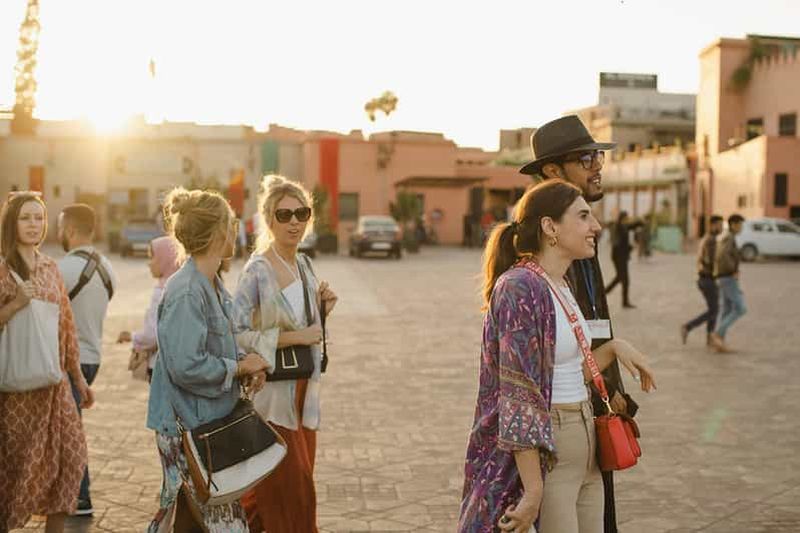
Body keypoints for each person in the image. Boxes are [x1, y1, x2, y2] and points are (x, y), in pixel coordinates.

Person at [458, 180, 656, 533]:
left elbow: (558, 373)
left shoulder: (561, 284)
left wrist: (613, 348)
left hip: (586, 443)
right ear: (550, 227)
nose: (595, 227)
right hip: (551, 448)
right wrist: (533, 490)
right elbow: (519, 394)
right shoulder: (519, 287)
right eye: (583, 216)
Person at [519, 115, 637, 533]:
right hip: (554, 425)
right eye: (586, 158)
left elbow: (595, 323)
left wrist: (613, 389)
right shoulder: (533, 260)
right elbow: (516, 375)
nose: (597, 166)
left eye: (597, 157)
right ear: (553, 171)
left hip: (592, 409)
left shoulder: (580, 233)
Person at [145, 187, 269, 532]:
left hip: (206, 420)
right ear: (218, 233)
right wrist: (239, 367)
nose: (237, 232)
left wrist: (245, 364)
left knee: (194, 520)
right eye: (232, 224)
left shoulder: (210, 283)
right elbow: (187, 365)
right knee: (215, 522)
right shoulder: (186, 290)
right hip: (187, 426)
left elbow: (220, 347)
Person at [233, 175, 338, 533]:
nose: (294, 222)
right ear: (268, 219)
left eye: (301, 213)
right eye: (284, 215)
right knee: (291, 489)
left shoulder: (305, 265)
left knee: (287, 484)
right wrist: (295, 337)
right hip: (273, 396)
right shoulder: (257, 270)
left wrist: (323, 308)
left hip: (304, 393)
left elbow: (310, 328)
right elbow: (236, 334)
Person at [0, 192, 94, 533]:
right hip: (16, 393)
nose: (33, 224)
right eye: (25, 217)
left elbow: (66, 325)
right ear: (12, 222)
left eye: (38, 218)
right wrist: (14, 305)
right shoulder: (2, 268)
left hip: (54, 385)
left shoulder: (51, 267)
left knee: (71, 462)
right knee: (16, 473)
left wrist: (78, 379)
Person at [55, 203, 116, 517]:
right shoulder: (108, 268)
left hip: (67, 361)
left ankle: (80, 496)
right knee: (67, 427)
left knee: (69, 431)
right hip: (94, 357)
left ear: (69, 229)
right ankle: (65, 493)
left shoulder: (62, 269)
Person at [117, 236, 181, 381]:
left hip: (159, 365)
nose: (149, 264)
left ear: (165, 260)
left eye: (152, 258)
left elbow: (153, 334)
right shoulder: (180, 286)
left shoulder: (161, 292)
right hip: (176, 364)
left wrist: (131, 336)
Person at [680, 215, 723, 348]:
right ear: (712, 225)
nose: (721, 228)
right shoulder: (710, 241)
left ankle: (709, 337)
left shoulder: (707, 239)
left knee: (713, 308)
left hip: (705, 278)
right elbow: (711, 261)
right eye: (719, 225)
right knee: (714, 310)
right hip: (707, 279)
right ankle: (688, 326)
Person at [709, 214, 747, 353]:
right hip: (727, 277)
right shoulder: (728, 238)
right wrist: (732, 271)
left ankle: (720, 342)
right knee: (741, 308)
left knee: (727, 309)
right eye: (740, 224)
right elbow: (722, 256)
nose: (741, 227)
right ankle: (718, 333)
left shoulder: (728, 237)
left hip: (724, 277)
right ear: (733, 225)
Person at [604, 211, 638, 309]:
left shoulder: (623, 227)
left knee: (620, 278)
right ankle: (606, 293)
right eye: (626, 218)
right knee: (623, 279)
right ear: (623, 218)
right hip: (619, 257)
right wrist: (631, 247)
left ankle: (622, 300)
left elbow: (633, 226)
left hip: (621, 257)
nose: (628, 220)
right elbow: (621, 245)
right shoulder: (620, 228)